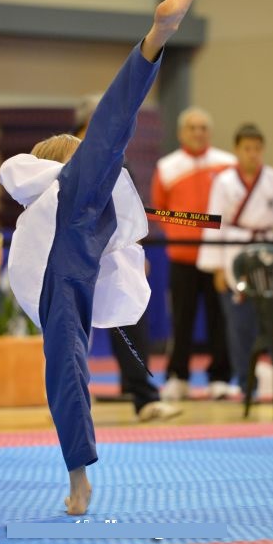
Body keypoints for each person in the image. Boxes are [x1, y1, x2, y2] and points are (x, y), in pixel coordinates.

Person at [0, 0, 210, 516]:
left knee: (65, 370)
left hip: (67, 274)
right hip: (67, 262)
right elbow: (113, 121)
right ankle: (158, 35)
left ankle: (79, 476)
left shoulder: (67, 205)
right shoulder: (71, 186)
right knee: (66, 372)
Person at [73, 95, 179, 422]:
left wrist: (136, 250)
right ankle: (67, 402)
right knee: (72, 329)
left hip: (115, 254)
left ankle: (144, 397)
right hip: (76, 253)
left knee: (129, 320)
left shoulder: (116, 152)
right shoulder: (66, 152)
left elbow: (130, 209)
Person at [197, 123, 273, 396]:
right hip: (235, 257)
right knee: (240, 328)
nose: (252, 154)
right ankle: (246, 385)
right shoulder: (224, 181)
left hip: (269, 257)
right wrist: (217, 268)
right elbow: (214, 223)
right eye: (247, 148)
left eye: (257, 148)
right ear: (237, 150)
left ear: (262, 149)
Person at [151, 107, 236, 400]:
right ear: (181, 133)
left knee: (219, 319)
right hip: (182, 257)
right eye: (192, 127)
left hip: (218, 259)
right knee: (181, 320)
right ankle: (178, 377)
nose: (198, 133)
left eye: (203, 127)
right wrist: (180, 233)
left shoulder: (227, 164)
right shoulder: (167, 167)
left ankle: (220, 378)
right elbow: (160, 208)